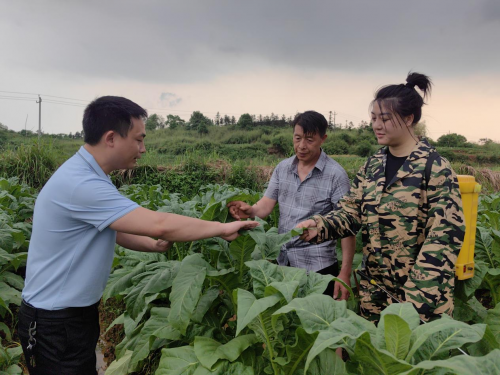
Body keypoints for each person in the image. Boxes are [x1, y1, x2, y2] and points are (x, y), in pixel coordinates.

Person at [18, 96, 258, 374]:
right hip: (55, 323)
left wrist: (152, 246)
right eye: (139, 139)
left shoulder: (90, 175)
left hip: (71, 318)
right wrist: (222, 228)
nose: (143, 149)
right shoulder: (80, 183)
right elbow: (160, 223)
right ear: (111, 138)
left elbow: (111, 229)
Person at [297, 73, 465, 323]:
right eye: (374, 118)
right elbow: (351, 212)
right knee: (374, 360)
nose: (376, 125)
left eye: (385, 119)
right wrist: (320, 226)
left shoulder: (435, 168)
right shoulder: (373, 165)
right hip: (375, 293)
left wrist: (415, 299)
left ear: (409, 118)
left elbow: (444, 237)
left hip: (421, 301)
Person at [228, 111, 356, 300]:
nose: (301, 146)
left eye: (310, 140)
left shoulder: (336, 175)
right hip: (285, 263)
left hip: (318, 268)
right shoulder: (283, 168)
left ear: (323, 139)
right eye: (297, 138)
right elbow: (265, 205)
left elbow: (347, 226)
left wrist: (344, 273)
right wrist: (251, 210)